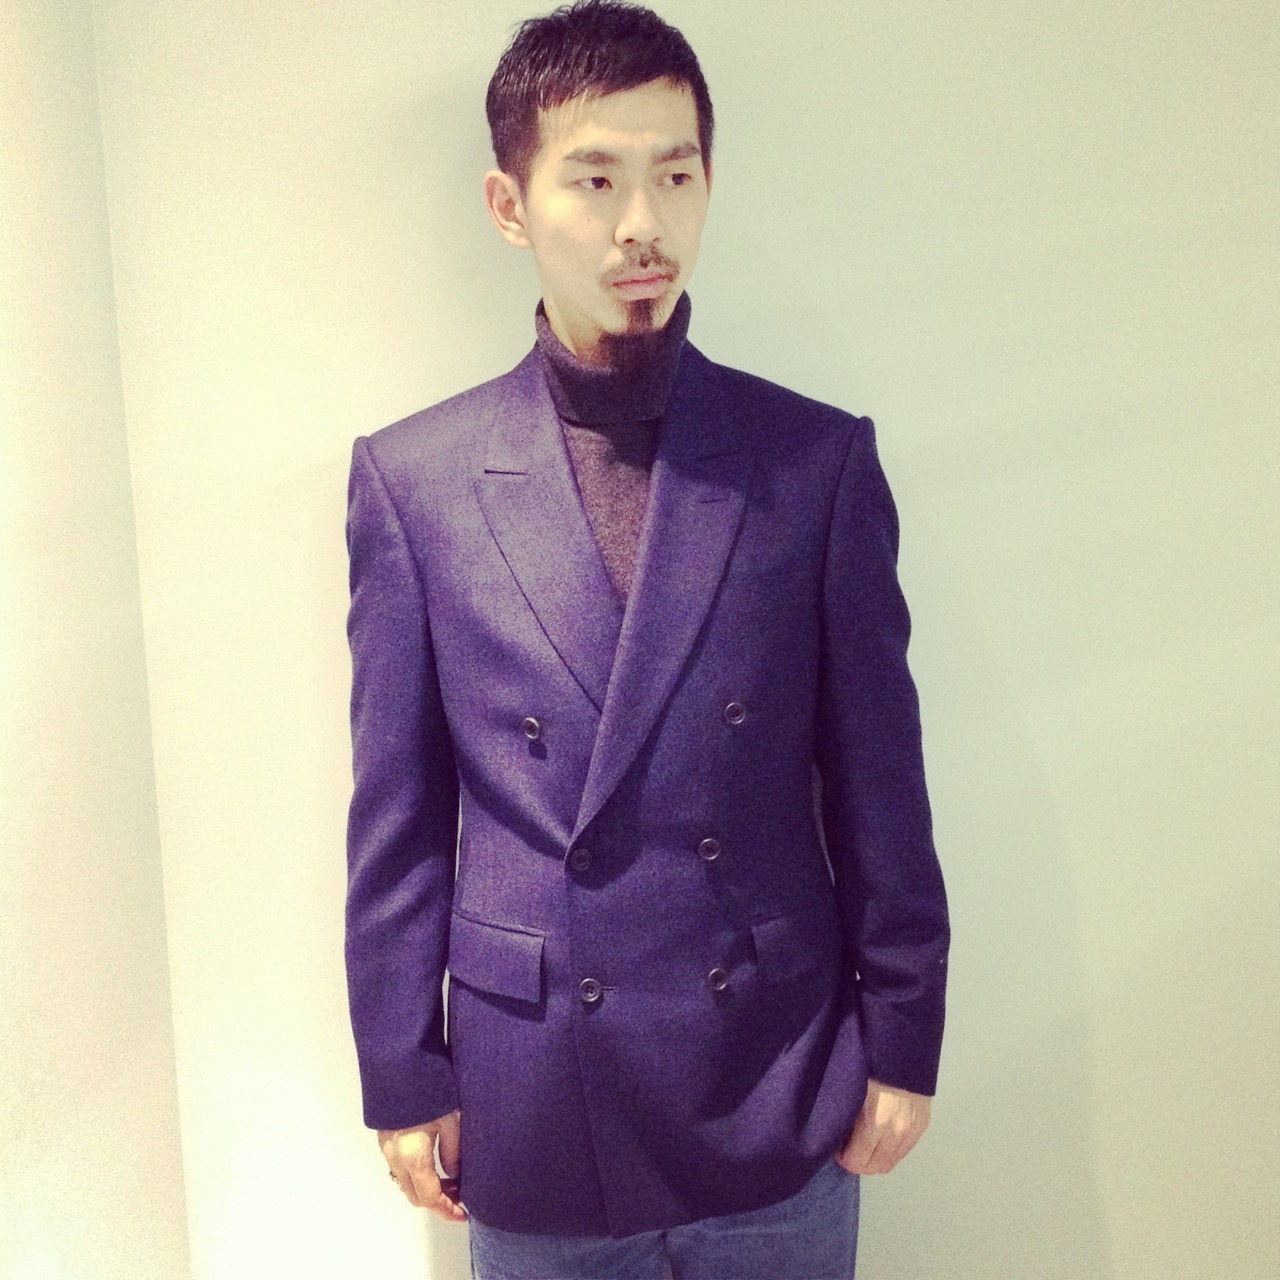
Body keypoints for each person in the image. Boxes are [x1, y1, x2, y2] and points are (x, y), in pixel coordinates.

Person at [343, 2, 949, 1275]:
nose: (641, 225)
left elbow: (878, 780)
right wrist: (401, 1068)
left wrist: (902, 1033)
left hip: (774, 1074)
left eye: (675, 175)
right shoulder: (416, 482)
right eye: (595, 178)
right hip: (533, 1089)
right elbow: (398, 816)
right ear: (509, 205)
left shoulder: (813, 461)